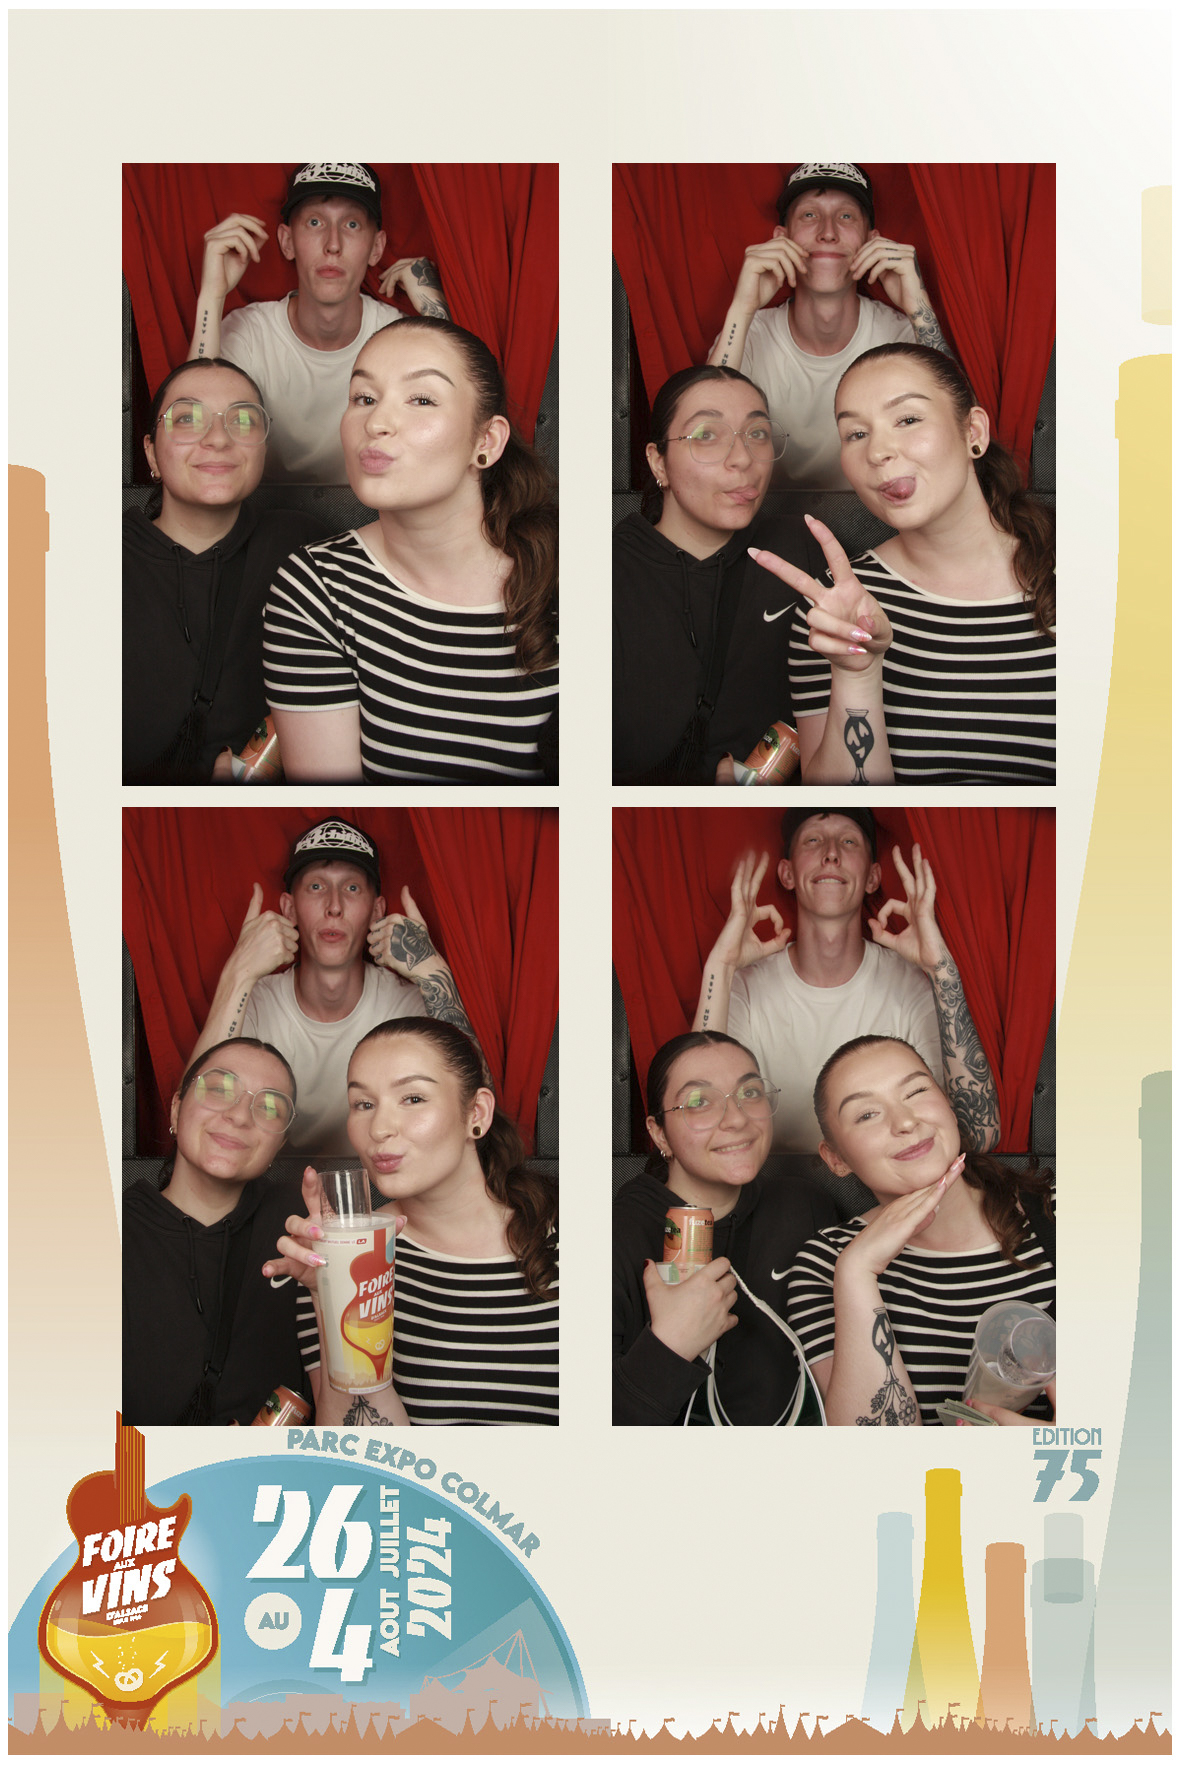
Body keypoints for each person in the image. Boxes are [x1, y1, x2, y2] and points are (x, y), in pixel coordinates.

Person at [262, 316, 558, 785]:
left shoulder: (575, 576)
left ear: (486, 441)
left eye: (421, 399)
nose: (376, 423)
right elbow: (339, 800)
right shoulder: (316, 588)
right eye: (364, 398)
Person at [751, 343, 1056, 784]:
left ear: (973, 431)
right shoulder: (833, 611)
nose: (878, 451)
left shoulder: (1098, 576)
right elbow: (848, 809)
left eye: (908, 420)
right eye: (856, 434)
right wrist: (856, 673)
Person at [265, 1019, 558, 1427]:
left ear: (476, 1112)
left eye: (413, 1098)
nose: (379, 1129)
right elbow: (362, 1452)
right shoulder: (337, 1257)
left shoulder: (574, 1234)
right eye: (363, 1104)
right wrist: (332, 1298)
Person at [693, 810, 1000, 1156]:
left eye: (849, 841)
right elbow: (699, 1119)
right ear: (787, 874)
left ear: (872, 877)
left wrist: (943, 971)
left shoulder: (910, 985)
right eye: (813, 840)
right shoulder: (745, 988)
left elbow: (979, 1136)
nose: (831, 853)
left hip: (884, 1183)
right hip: (772, 1182)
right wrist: (720, 966)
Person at [786, 1036, 1055, 1426]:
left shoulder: (1060, 1214)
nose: (906, 1122)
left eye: (915, 1092)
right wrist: (858, 1271)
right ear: (837, 1158)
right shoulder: (825, 1263)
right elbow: (872, 1451)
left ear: (949, 1105)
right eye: (867, 1114)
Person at [190, 818, 477, 1155]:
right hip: (268, 1181)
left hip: (385, 1178)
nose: (334, 906)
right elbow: (191, 1119)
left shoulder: (407, 1004)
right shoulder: (254, 1000)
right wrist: (237, 973)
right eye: (316, 887)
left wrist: (433, 972)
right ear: (289, 909)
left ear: (377, 911)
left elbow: (477, 1113)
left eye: (352, 888)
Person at [612, 364, 822, 784]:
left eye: (758, 433)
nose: (743, 459)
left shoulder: (799, 548)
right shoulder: (603, 572)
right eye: (707, 435)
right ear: (658, 462)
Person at [613, 1032, 836, 1425]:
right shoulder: (613, 1235)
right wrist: (669, 1345)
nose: (736, 1119)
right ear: (659, 1132)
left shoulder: (804, 1207)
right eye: (699, 1101)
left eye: (750, 1093)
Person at [123, 358, 323, 785]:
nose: (218, 438)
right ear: (151, 452)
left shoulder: (303, 547)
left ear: (263, 449)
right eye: (186, 419)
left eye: (243, 420)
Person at [188, 162, 451, 483]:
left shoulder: (397, 336)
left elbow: (462, 418)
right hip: (264, 509)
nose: (333, 244)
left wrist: (434, 309)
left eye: (351, 224)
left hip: (374, 507)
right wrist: (211, 296)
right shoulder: (249, 333)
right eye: (315, 222)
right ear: (287, 241)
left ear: (376, 248)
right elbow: (192, 427)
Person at [708, 163, 948, 488]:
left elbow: (961, 434)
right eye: (809, 215)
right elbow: (704, 436)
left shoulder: (901, 334)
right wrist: (742, 307)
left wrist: (918, 306)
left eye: (846, 216)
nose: (828, 232)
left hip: (878, 513)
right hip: (765, 514)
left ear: (871, 241)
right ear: (782, 238)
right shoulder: (750, 333)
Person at [123, 1038, 313, 1425]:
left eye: (270, 1107)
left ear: (279, 1145)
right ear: (176, 1108)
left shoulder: (301, 1230)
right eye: (219, 1089)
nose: (240, 1116)